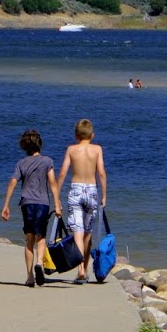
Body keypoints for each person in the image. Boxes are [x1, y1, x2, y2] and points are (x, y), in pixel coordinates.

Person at [1, 129, 58, 288]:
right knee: (41, 237)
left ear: (24, 147)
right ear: (40, 145)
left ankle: (29, 277)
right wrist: (58, 204)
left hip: (27, 203)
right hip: (43, 203)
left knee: (29, 239)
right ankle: (39, 262)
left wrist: (6, 205)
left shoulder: (21, 163)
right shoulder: (47, 161)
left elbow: (13, 182)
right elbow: (52, 183)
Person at [56, 118, 106, 284]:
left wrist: (56, 194)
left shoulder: (71, 149)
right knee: (87, 232)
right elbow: (101, 173)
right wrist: (104, 195)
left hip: (76, 190)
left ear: (76, 135)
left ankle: (81, 270)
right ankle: (84, 267)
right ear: (92, 135)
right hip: (91, 190)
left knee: (77, 231)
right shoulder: (97, 149)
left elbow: (63, 172)